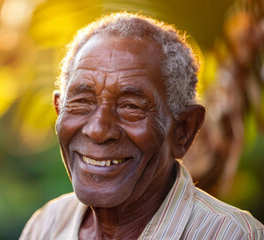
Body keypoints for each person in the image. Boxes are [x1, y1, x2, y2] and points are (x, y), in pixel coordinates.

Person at [20, 12, 264, 240]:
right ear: (58, 110)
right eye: (81, 102)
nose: (98, 129)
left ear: (184, 131)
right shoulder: (46, 226)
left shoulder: (233, 234)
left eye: (131, 106)